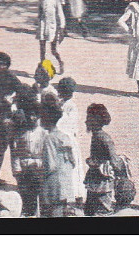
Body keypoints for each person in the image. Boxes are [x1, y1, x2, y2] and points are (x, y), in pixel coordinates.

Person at [0, 52, 25, 185]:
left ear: (7, 65)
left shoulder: (11, 77)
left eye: (3, 64)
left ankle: (3, 175)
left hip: (6, 117)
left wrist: (12, 100)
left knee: (5, 147)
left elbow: (23, 92)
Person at [10, 94, 46, 216]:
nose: (32, 118)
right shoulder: (20, 133)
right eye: (30, 114)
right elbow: (15, 153)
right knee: (25, 195)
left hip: (38, 169)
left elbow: (47, 154)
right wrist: (17, 171)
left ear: (39, 116)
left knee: (39, 195)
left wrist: (41, 166)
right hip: (23, 168)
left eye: (35, 115)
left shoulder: (44, 133)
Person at [83, 103, 122, 216]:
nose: (86, 122)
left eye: (88, 119)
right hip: (95, 180)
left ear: (96, 120)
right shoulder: (97, 136)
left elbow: (115, 161)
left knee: (103, 211)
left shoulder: (104, 138)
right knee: (90, 211)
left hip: (102, 182)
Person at [40, 98, 77, 217]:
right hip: (66, 184)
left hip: (53, 186)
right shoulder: (64, 137)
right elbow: (73, 162)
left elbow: (50, 165)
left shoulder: (49, 139)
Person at [56, 77, 86, 205]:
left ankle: (76, 195)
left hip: (68, 141)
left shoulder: (71, 106)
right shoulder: (63, 103)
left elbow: (66, 125)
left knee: (71, 170)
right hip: (63, 140)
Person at [37, 0, 66, 74]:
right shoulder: (41, 1)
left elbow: (61, 15)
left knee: (53, 50)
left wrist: (61, 29)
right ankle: (42, 67)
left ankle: (60, 62)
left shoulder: (55, 1)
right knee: (42, 49)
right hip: (42, 26)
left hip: (52, 28)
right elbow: (39, 13)